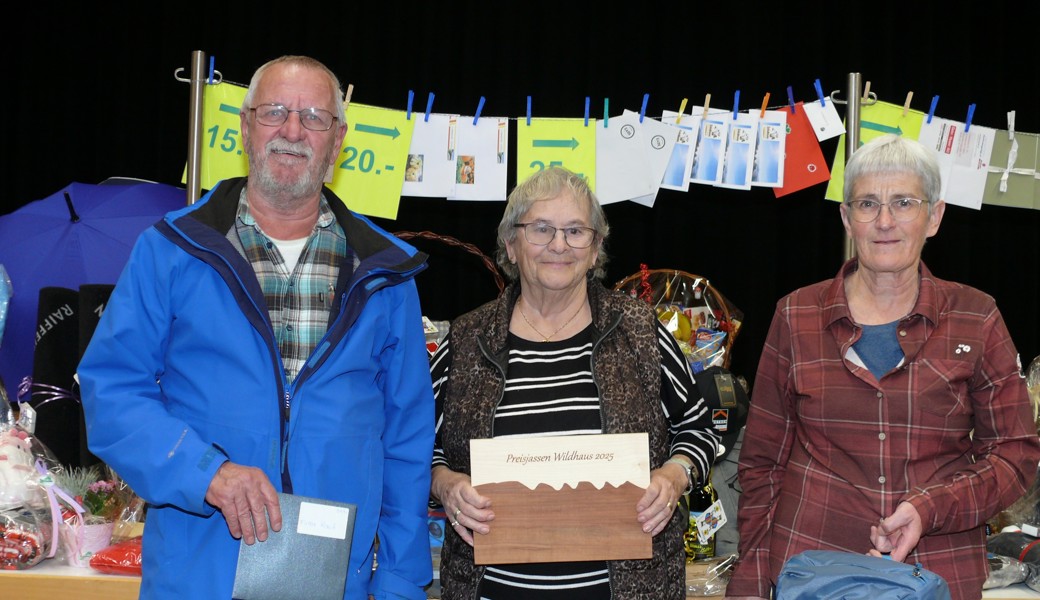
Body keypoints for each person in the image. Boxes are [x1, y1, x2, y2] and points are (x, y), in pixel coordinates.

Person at [78, 55, 435, 600]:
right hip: (198, 575)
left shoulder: (385, 272)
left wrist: (400, 583)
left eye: (313, 117)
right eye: (275, 112)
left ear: (337, 141)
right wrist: (208, 474)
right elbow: (111, 392)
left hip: (337, 580)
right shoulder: (171, 249)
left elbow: (407, 442)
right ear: (245, 128)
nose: (292, 131)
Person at [725, 134, 1040, 600]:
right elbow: (761, 464)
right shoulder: (796, 316)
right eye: (867, 203)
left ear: (934, 216)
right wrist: (750, 583)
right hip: (811, 573)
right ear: (846, 218)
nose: (885, 221)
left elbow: (1016, 454)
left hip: (937, 573)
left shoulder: (976, 316)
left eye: (904, 203)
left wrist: (931, 507)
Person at [428, 166, 721, 599]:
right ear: (511, 243)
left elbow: (699, 428)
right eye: (541, 229)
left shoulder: (639, 329)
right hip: (492, 589)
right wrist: (445, 484)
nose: (559, 245)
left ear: (595, 247)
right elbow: (415, 445)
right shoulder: (469, 339)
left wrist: (673, 477)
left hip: (627, 588)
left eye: (576, 231)